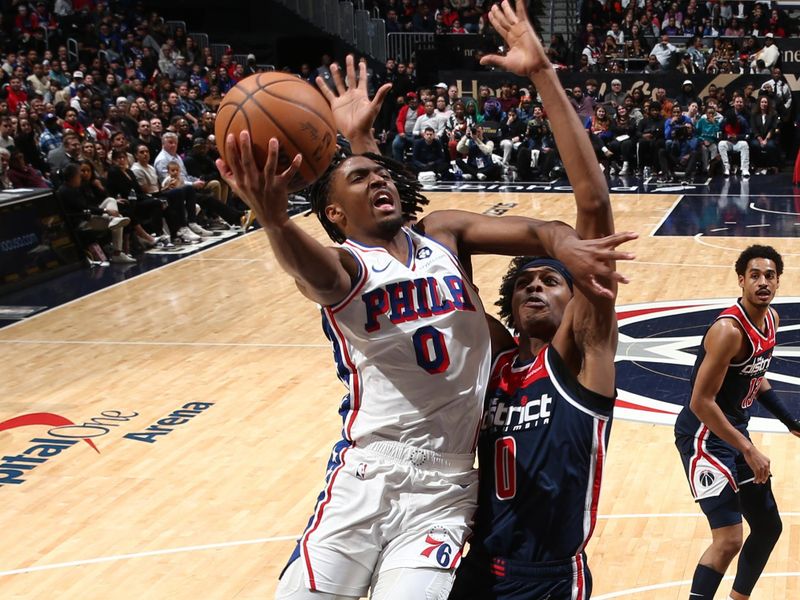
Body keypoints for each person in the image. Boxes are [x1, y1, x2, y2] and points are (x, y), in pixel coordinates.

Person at [216, 50, 634, 600]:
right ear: (335, 217)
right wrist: (274, 221)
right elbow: (315, 268)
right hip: (371, 469)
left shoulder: (446, 245)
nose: (376, 179)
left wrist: (564, 246)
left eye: (381, 172)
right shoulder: (350, 270)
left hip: (451, 488)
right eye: (361, 179)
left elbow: (558, 223)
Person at [448, 2, 626, 596]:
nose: (534, 285)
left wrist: (542, 73)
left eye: (551, 279)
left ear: (578, 296)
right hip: (472, 568)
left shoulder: (581, 353)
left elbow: (594, 209)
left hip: (546, 578)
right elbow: (441, 245)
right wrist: (365, 145)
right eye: (525, 280)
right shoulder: (496, 356)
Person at [674, 245, 799, 600]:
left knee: (767, 526)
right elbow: (700, 402)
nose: (763, 282)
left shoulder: (771, 320)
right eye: (755, 275)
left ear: (778, 282)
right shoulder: (729, 331)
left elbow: (755, 377)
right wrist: (748, 448)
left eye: (770, 276)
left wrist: (790, 420)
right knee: (729, 538)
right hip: (702, 436)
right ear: (741, 280)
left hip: (732, 432)